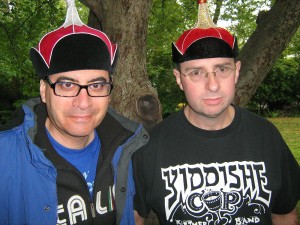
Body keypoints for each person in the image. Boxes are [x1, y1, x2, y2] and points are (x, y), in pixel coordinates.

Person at [133, 1, 300, 225]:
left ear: (236, 72)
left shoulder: (266, 137)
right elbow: (133, 218)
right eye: (196, 72)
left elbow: (284, 213)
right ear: (179, 79)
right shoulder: (150, 147)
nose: (212, 85)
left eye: (222, 69)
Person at [0, 1, 149, 225]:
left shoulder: (129, 149)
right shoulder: (5, 159)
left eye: (96, 86)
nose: (83, 102)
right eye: (67, 85)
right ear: (44, 90)